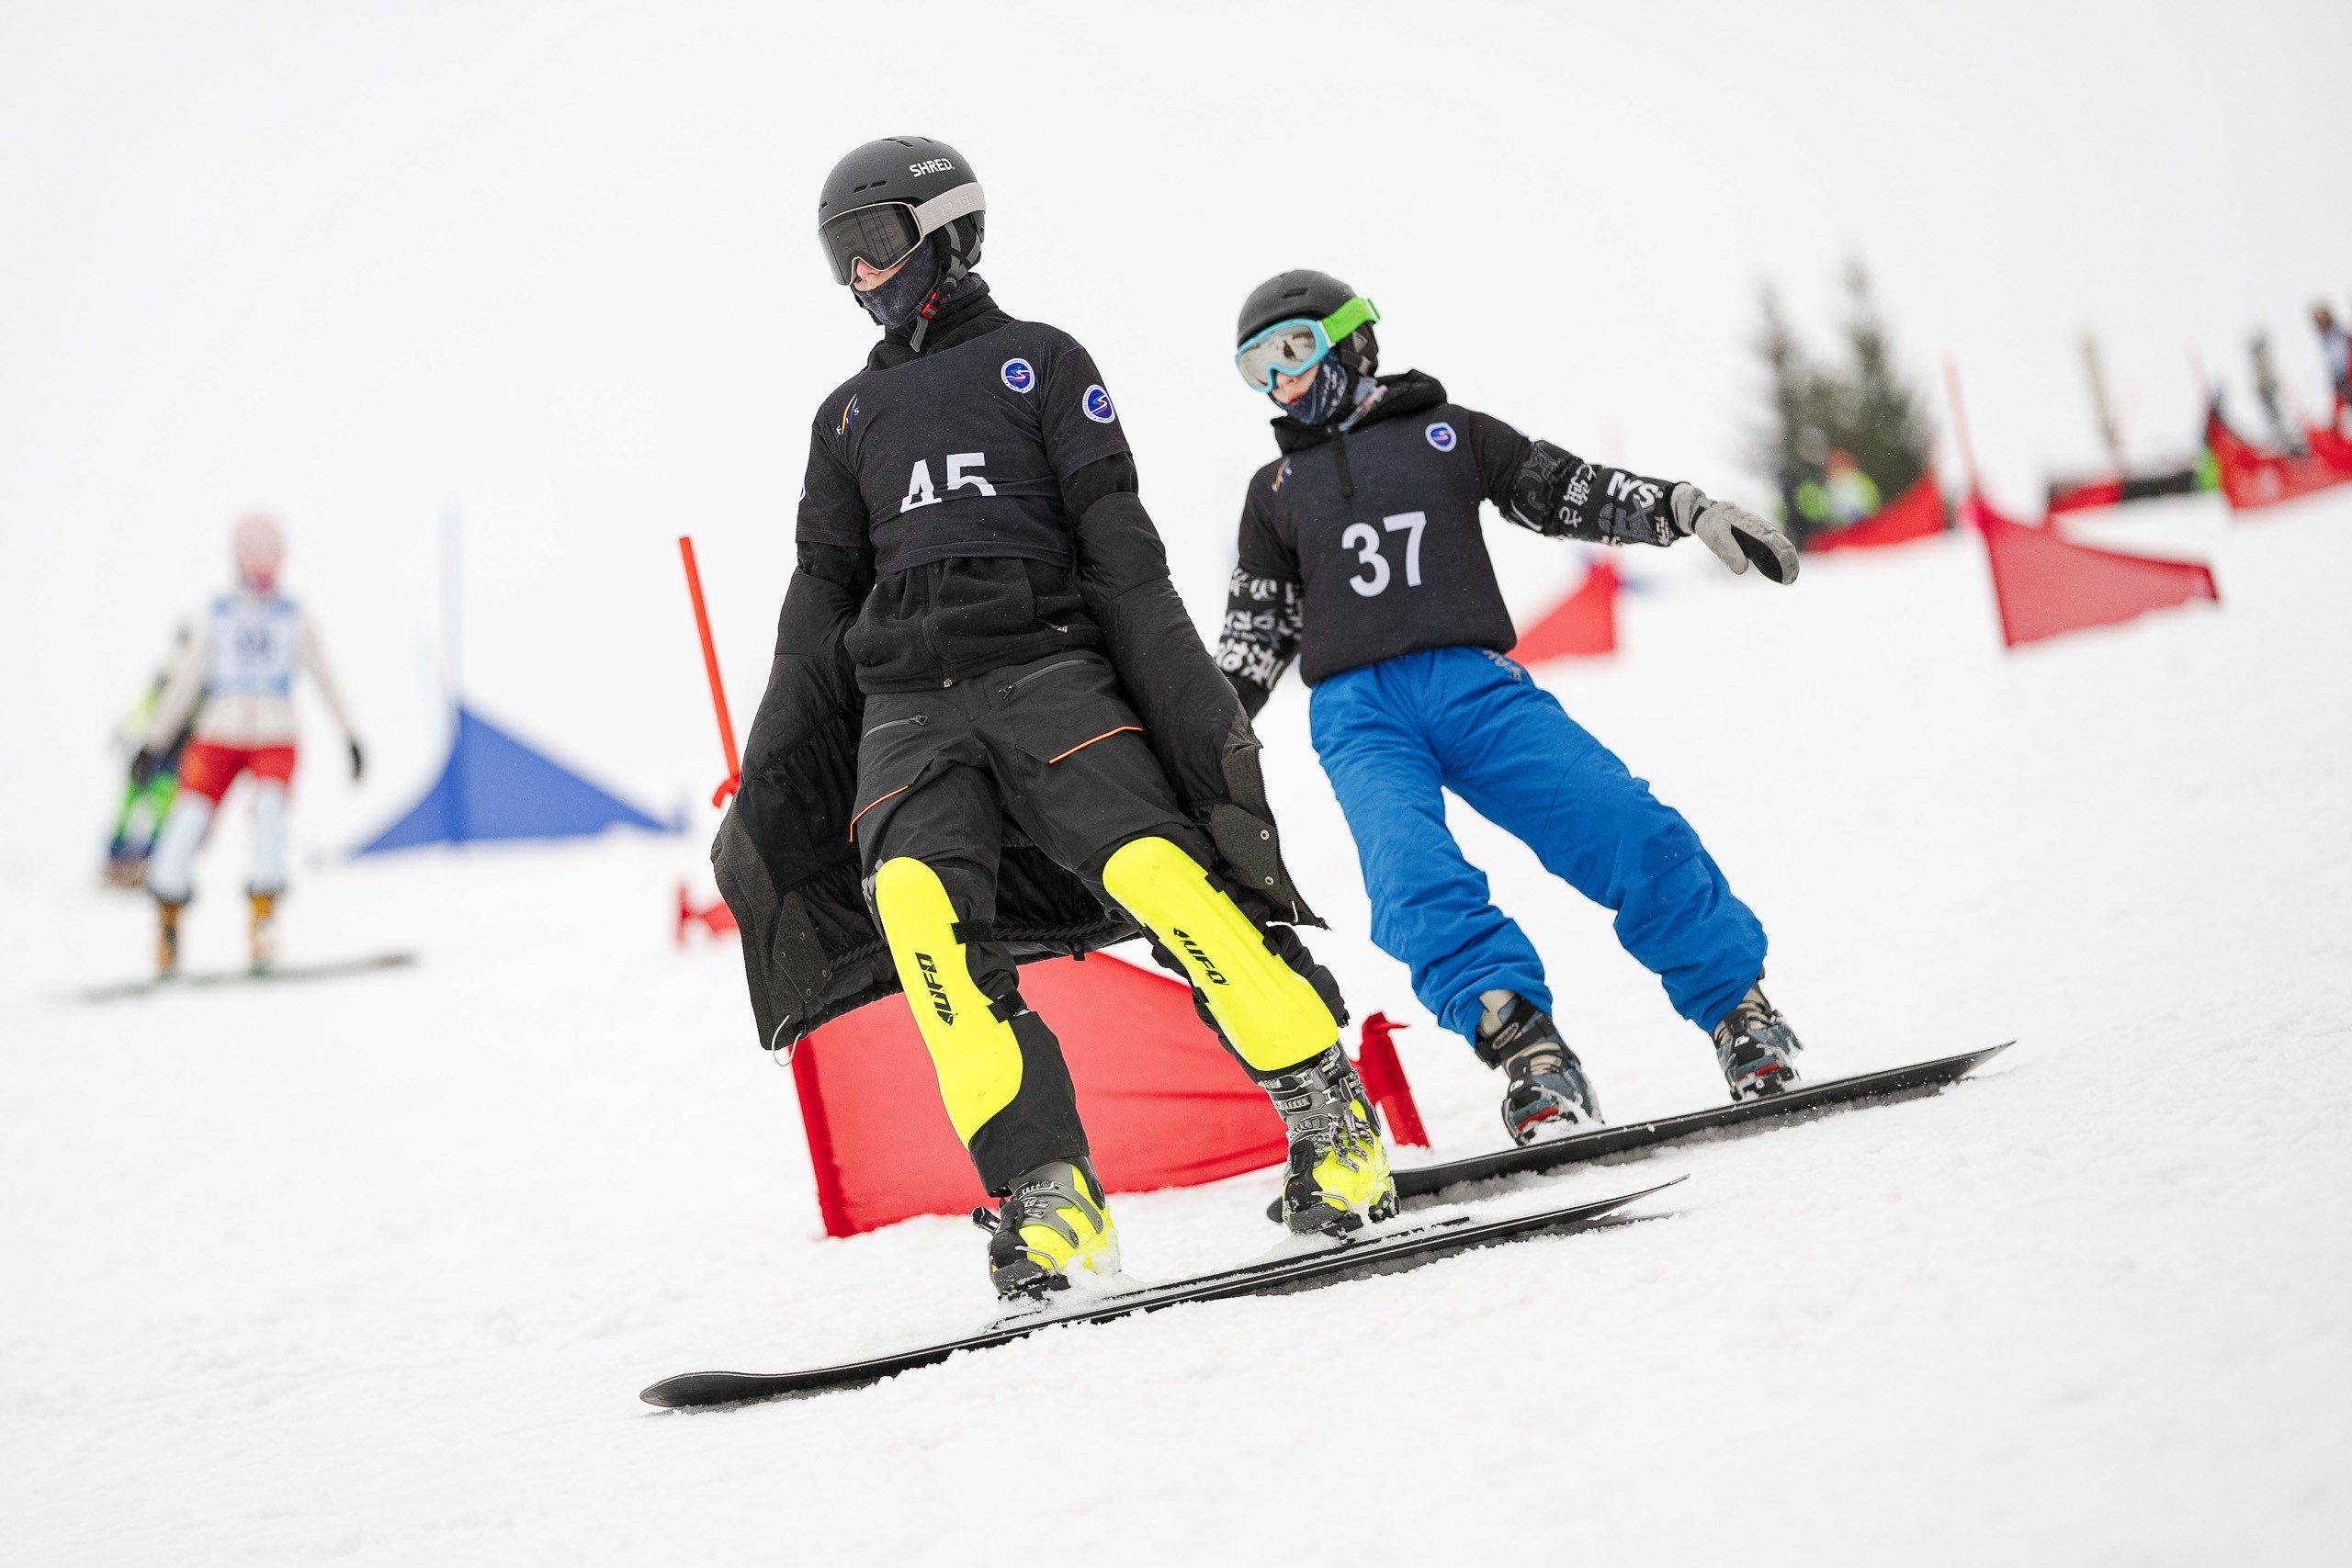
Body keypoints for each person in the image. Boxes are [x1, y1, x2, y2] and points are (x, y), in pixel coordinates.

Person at [715, 140, 1394, 1300]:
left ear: (949, 233)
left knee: (1162, 876)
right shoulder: (845, 418)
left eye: (875, 245)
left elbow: (1122, 556)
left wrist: (1191, 708)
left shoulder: (1042, 361)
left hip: (1048, 672)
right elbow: (817, 598)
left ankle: (1328, 1115)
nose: (860, 278)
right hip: (905, 711)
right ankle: (1048, 1202)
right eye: (840, 257)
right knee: (921, 913)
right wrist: (772, 761)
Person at [1215, 269, 1805, 1145]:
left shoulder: (1450, 436)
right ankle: (1530, 1053)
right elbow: (1253, 640)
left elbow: (1572, 489)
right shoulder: (1274, 492)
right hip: (1358, 714)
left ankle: (1740, 1011)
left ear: (1350, 339)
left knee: (1623, 823)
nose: (1280, 380)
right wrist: (1193, 743)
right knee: (1410, 880)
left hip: (1473, 686)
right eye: (1256, 367)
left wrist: (1682, 509)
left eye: (1293, 350)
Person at [136, 514, 363, 974]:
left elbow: (325, 677)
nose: (264, 569)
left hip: (275, 734)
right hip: (219, 732)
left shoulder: (293, 617)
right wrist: (155, 739)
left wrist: (350, 734)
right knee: (187, 821)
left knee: (270, 816)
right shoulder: (217, 615)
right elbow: (186, 681)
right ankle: (168, 925)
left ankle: (263, 923)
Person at [103, 624, 199, 887]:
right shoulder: (163, 679)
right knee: (131, 804)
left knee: (162, 809)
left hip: (176, 756)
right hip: (149, 752)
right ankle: (117, 860)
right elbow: (142, 707)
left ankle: (147, 863)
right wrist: (126, 729)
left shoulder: (201, 687)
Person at [2314, 303, 2351, 425]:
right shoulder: (2324, 341)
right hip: (2340, 381)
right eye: (2318, 321)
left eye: (2323, 319)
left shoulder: (2341, 333)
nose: (2321, 324)